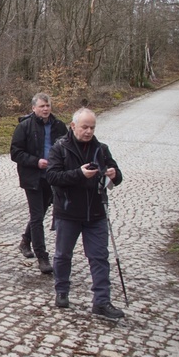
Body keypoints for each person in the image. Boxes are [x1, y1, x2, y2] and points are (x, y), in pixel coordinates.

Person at [46, 108, 125, 319]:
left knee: (99, 257)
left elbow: (117, 177)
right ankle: (61, 290)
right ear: (73, 126)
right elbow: (52, 176)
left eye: (92, 127)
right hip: (68, 211)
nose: (89, 131)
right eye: (85, 127)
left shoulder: (101, 149)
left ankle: (101, 301)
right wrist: (79, 174)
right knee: (63, 255)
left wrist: (114, 174)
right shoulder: (60, 148)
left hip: (96, 212)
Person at [10, 93, 68, 274]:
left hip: (52, 178)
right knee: (36, 216)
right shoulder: (25, 126)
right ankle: (42, 256)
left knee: (41, 213)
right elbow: (15, 153)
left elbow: (68, 148)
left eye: (48, 105)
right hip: (32, 178)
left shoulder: (59, 126)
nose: (45, 109)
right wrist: (36, 161)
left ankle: (25, 241)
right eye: (42, 106)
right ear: (34, 108)